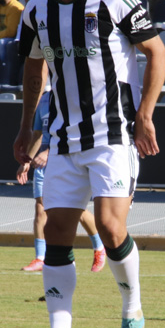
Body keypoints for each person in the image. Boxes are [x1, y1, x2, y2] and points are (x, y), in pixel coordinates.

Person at [12, 0, 165, 328]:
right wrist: (26, 129)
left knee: (110, 225)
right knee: (58, 230)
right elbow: (33, 68)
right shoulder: (38, 9)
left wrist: (145, 115)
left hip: (113, 135)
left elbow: (157, 53)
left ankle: (133, 312)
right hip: (62, 137)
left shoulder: (115, 0)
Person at [17, 88, 107, 273]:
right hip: (43, 160)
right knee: (40, 208)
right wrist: (27, 160)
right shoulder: (43, 100)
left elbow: (75, 132)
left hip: (67, 157)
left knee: (76, 210)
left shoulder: (73, 96)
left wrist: (49, 152)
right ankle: (40, 258)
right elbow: (38, 133)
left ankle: (99, 247)